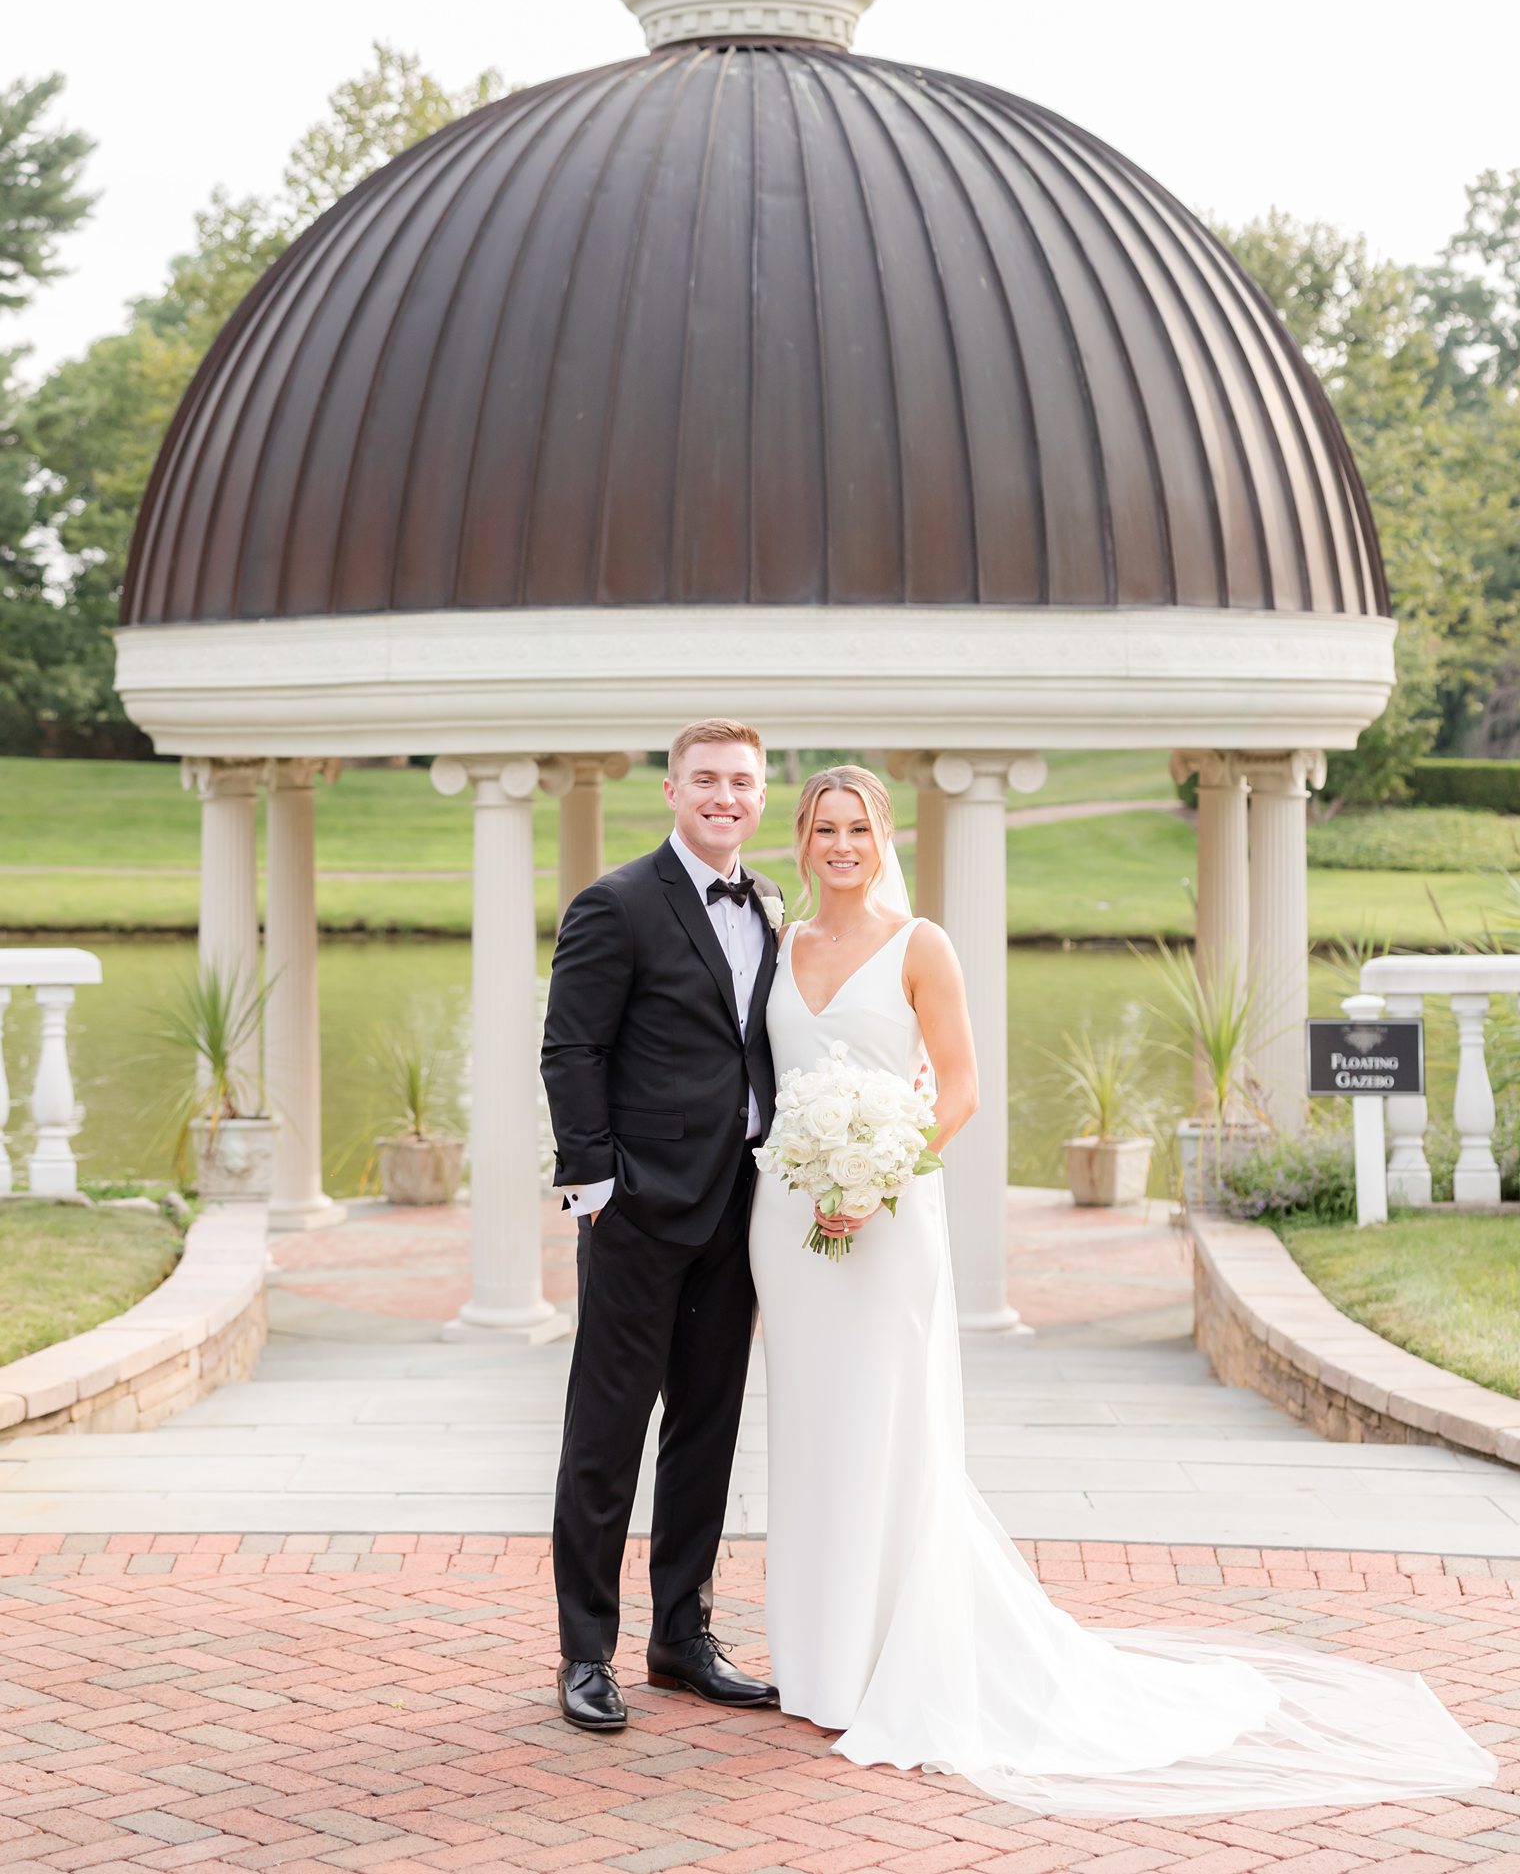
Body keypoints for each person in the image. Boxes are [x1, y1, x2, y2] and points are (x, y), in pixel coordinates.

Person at [750, 763, 1497, 1815]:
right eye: (823, 827)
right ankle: (815, 1655)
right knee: (808, 1431)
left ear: (881, 839)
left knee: (886, 1428)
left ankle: (887, 1654)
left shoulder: (920, 946)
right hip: (785, 1226)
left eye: (857, 828)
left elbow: (958, 1086)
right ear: (800, 835)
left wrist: (876, 1174)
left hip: (886, 1214)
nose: (840, 845)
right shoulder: (779, 946)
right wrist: (813, 1181)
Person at [542, 718, 783, 1733]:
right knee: (606, 1433)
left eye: (740, 782)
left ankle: (681, 1636)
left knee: (705, 1430)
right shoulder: (616, 904)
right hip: (640, 1209)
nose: (723, 797)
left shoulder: (769, 903)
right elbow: (570, 1049)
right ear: (672, 791)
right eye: (705, 781)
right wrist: (595, 1187)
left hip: (742, 1207)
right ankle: (584, 1653)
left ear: (760, 794)